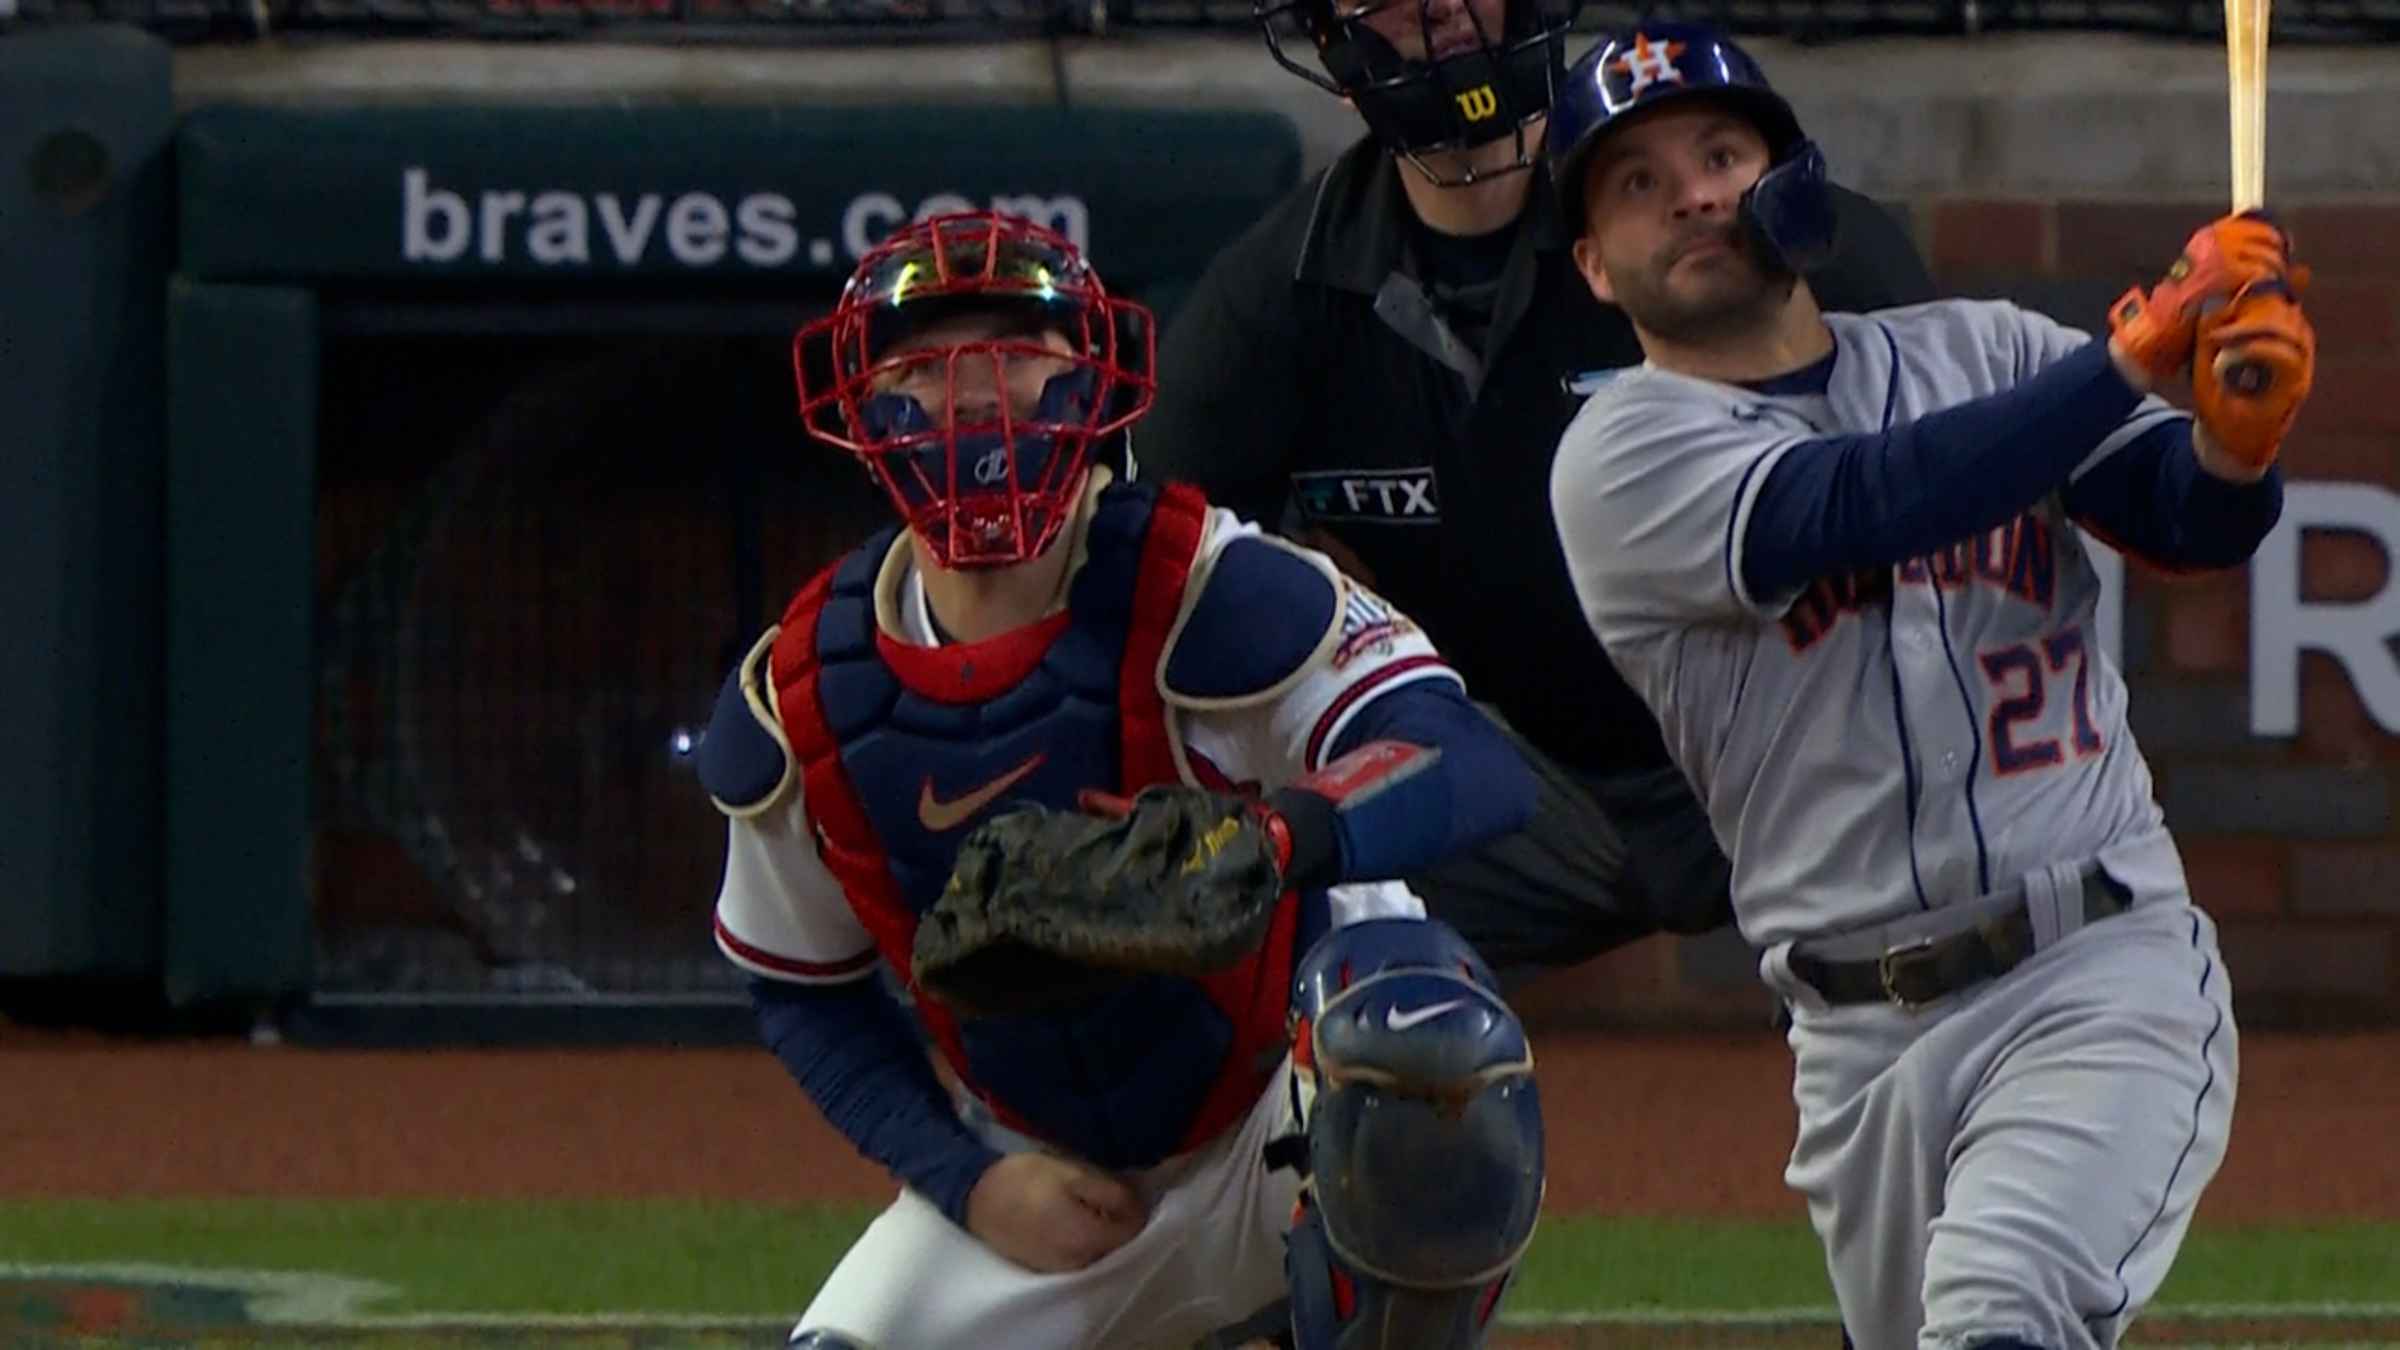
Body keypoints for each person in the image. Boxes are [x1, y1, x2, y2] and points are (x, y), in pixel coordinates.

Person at [1544, 24, 2312, 1350]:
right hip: (1858, 1044)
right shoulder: (1618, 458)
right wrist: (2131, 354)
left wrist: (2235, 442)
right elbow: (1866, 500)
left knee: (2001, 1308)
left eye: (1721, 154)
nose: (1694, 197)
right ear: (1593, 267)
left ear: (1791, 178)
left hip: (2093, 957)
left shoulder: (1986, 350)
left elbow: (2179, 514)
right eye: (1639, 184)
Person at [698, 210, 1549, 1350]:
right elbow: (803, 990)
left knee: (1422, 1038)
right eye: (926, 366)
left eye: (1012, 354)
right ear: (866, 411)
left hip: (1281, 1119)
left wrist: (1278, 839)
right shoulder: (805, 694)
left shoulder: (1216, 585)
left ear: (1086, 384)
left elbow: (1473, 761)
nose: (971, 395)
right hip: (1033, 1174)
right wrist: (968, 1183)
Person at [1135, 5, 1941, 985]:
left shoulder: (1740, 231)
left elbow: (1957, 476)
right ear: (1332, 42)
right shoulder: (1280, 304)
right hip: (1516, 779)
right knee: (1254, 895)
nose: (1436, 6)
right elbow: (1149, 571)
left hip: (1796, 744)